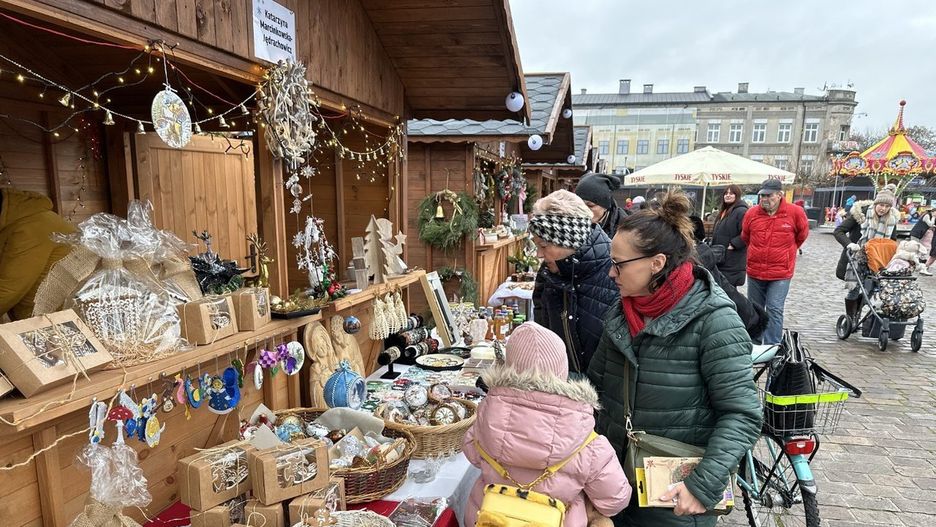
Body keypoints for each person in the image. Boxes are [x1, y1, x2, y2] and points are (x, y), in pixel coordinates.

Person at [588, 192, 761, 526]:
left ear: (657, 263)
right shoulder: (621, 313)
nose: (611, 272)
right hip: (616, 487)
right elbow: (594, 390)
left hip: (675, 497)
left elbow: (742, 414)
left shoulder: (715, 321)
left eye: (619, 264)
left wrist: (702, 487)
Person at [463, 322, 630, 527]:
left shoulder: (485, 419)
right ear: (562, 370)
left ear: (508, 367)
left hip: (489, 519)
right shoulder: (587, 440)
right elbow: (615, 500)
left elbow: (471, 453)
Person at [530, 190, 618, 376]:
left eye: (543, 245)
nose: (538, 254)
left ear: (569, 240)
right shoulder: (548, 273)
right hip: (561, 388)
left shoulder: (617, 274)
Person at [741, 178, 809, 344]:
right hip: (756, 270)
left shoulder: (795, 212)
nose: (765, 199)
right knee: (755, 309)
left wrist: (786, 252)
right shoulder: (752, 214)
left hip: (780, 272)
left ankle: (773, 346)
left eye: (769, 195)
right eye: (762, 196)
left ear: (779, 195)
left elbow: (801, 235)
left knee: (774, 308)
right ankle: (754, 344)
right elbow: (746, 237)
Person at [0, 188, 77, 320]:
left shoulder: (31, 226)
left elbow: (9, 290)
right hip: (45, 316)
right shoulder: (18, 220)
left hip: (53, 319)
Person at [833, 186, 899, 319]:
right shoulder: (860, 215)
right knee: (855, 290)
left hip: (876, 260)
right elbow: (839, 231)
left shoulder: (891, 220)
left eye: (887, 206)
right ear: (876, 203)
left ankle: (857, 311)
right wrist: (849, 244)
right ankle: (851, 318)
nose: (883, 209)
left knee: (870, 290)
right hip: (856, 258)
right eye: (881, 205)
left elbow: (892, 241)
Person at [710, 184, 749, 286]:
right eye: (726, 193)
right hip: (720, 258)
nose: (728, 195)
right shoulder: (725, 211)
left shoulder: (741, 211)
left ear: (737, 195)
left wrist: (734, 244)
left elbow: (747, 232)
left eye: (731, 193)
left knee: (729, 290)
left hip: (732, 261)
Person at [575, 172, 626, 237]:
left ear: (605, 206)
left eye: (590, 206)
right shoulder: (571, 221)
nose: (584, 209)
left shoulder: (625, 227)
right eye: (580, 205)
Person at [908, 207, 935, 275]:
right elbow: (930, 224)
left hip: (919, 234)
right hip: (916, 233)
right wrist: (933, 217)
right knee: (914, 249)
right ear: (932, 212)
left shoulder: (929, 216)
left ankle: (915, 264)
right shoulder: (927, 216)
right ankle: (910, 264)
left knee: (917, 250)